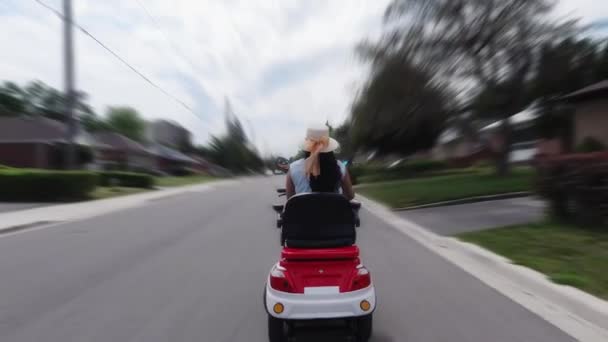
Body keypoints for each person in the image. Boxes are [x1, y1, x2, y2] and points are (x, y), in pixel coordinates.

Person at [285, 127, 355, 200]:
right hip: (333, 211)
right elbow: (350, 195)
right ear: (329, 147)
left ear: (307, 146)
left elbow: (290, 198)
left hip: (304, 211)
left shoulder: (293, 168)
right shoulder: (341, 166)